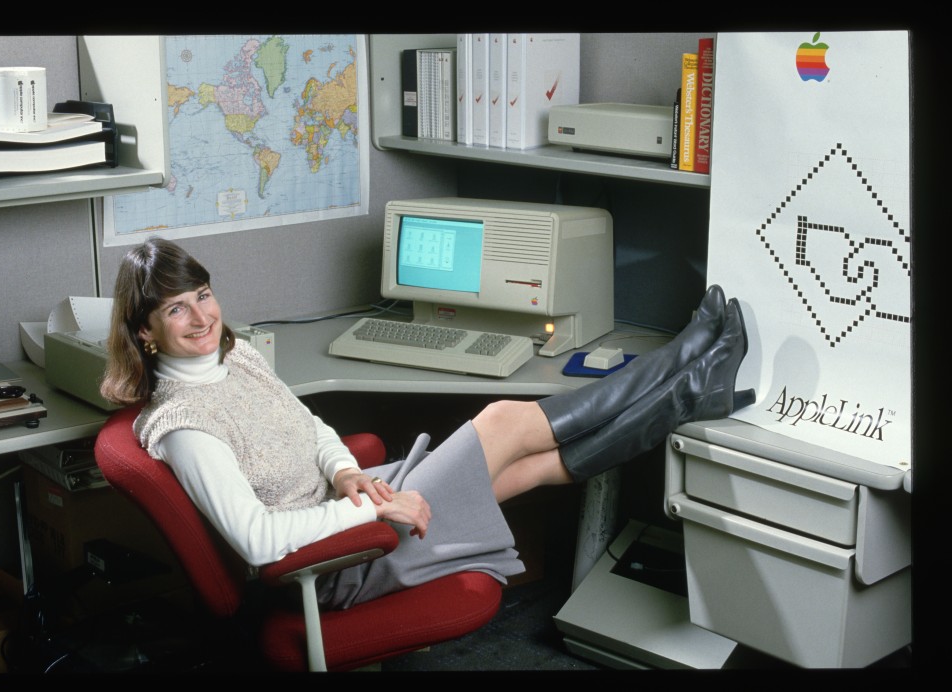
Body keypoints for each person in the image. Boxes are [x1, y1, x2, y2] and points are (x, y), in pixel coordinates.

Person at [100, 237, 753, 610]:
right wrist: (372, 514)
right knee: (499, 423)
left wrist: (347, 471)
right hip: (330, 563)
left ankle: (688, 388)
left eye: (203, 296)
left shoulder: (233, 356)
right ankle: (684, 369)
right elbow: (258, 541)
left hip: (355, 502)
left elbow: (310, 430)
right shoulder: (184, 425)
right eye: (176, 310)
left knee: (522, 467)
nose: (200, 317)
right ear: (146, 333)